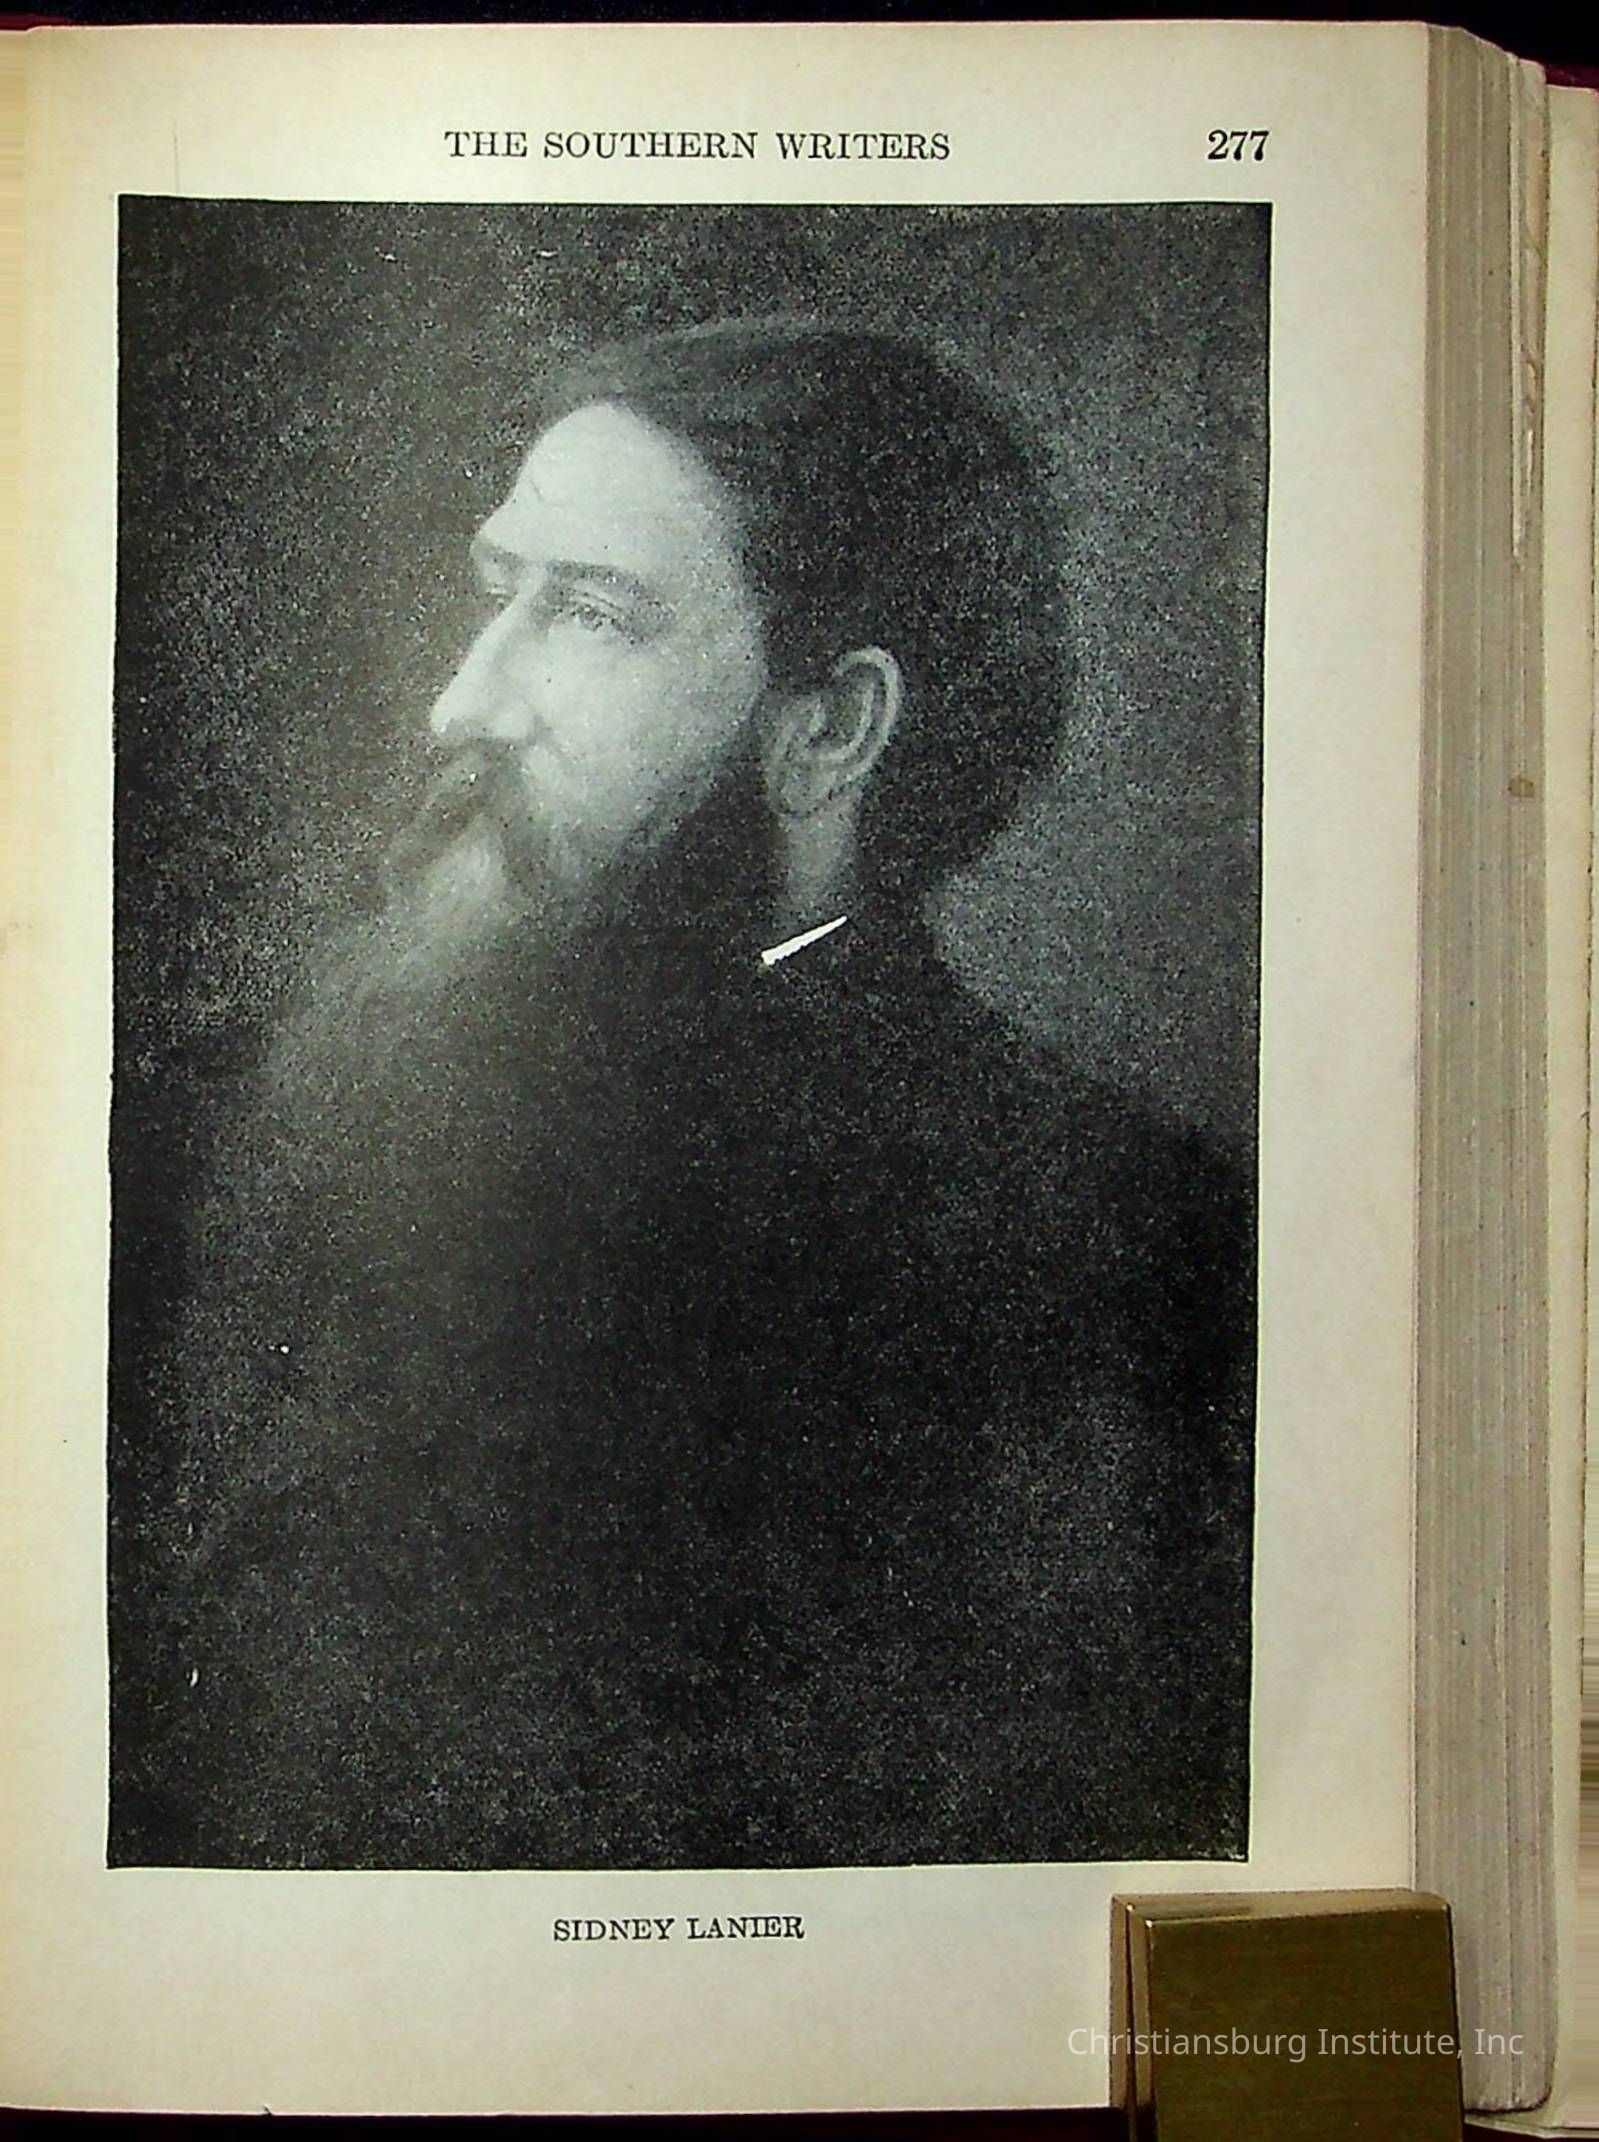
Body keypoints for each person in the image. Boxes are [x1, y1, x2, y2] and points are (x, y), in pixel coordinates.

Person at [112, 319, 1254, 1872]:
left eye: (589, 614)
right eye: (498, 597)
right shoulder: (213, 1128)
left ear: (828, 730)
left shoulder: (1135, 1246)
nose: (464, 703)